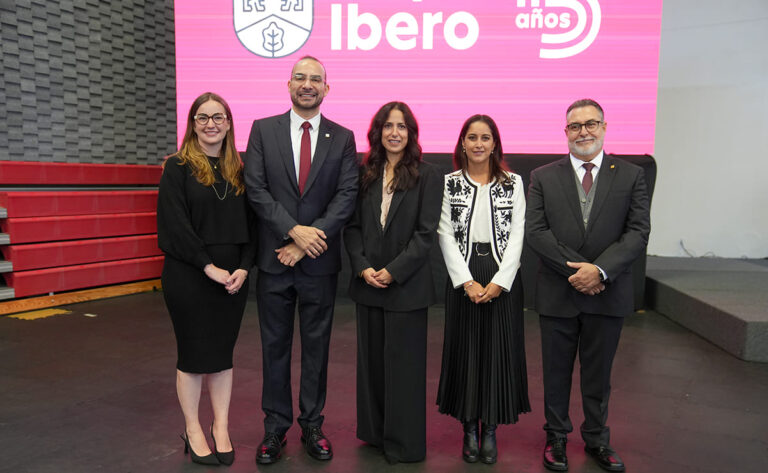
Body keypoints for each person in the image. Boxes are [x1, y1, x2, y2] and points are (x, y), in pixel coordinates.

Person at [243, 56, 358, 464]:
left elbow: (346, 197)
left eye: (316, 79)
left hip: (317, 264)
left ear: (327, 88)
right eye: (301, 78)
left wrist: (307, 241)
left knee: (316, 349)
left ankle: (312, 424)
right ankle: (275, 428)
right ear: (288, 84)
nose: (307, 84)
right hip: (275, 261)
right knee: (274, 348)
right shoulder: (262, 130)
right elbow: (256, 190)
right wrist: (294, 232)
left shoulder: (342, 137)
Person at [525, 99, 651, 472]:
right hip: (558, 292)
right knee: (556, 371)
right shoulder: (543, 175)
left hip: (607, 292)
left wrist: (599, 271)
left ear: (604, 127)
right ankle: (557, 438)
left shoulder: (630, 175)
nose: (584, 131)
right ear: (565, 132)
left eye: (591, 124)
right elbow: (536, 231)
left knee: (599, 374)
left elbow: (638, 231)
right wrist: (577, 273)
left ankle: (597, 438)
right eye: (575, 126)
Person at [157, 92, 255, 466]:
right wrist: (208, 266)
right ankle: (193, 428)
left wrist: (245, 267)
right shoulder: (177, 167)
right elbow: (174, 228)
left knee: (221, 356)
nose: (210, 123)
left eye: (218, 117)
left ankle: (222, 427)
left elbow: (253, 226)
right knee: (194, 356)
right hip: (190, 276)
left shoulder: (240, 171)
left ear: (229, 123)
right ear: (192, 124)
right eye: (202, 117)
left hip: (233, 278)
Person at [343, 102, 442, 464]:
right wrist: (362, 266)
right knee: (372, 366)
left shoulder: (428, 175)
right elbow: (352, 228)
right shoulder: (363, 173)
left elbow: (425, 234)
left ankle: (404, 444)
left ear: (411, 133)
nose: (394, 132)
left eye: (401, 126)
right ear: (378, 132)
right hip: (367, 282)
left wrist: (394, 271)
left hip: (407, 286)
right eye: (388, 126)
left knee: (404, 369)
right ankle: (375, 434)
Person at [436, 114, 530, 465]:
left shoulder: (514, 183)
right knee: (466, 351)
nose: (478, 144)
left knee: (497, 352)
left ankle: (489, 429)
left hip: (501, 276)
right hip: (463, 274)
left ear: (495, 144)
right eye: (472, 137)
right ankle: (467, 429)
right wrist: (466, 280)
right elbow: (444, 232)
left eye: (485, 137)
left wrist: (500, 281)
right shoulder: (448, 183)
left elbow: (519, 233)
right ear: (462, 142)